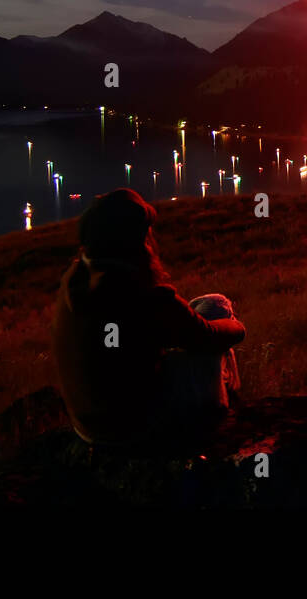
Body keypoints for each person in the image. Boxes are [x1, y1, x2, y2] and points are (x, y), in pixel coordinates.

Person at [51, 188, 245, 449]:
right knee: (217, 306)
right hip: (136, 426)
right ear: (137, 238)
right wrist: (238, 327)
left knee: (202, 311)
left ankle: (226, 399)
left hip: (89, 427)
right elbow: (206, 336)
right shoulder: (139, 291)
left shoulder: (76, 278)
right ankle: (222, 408)